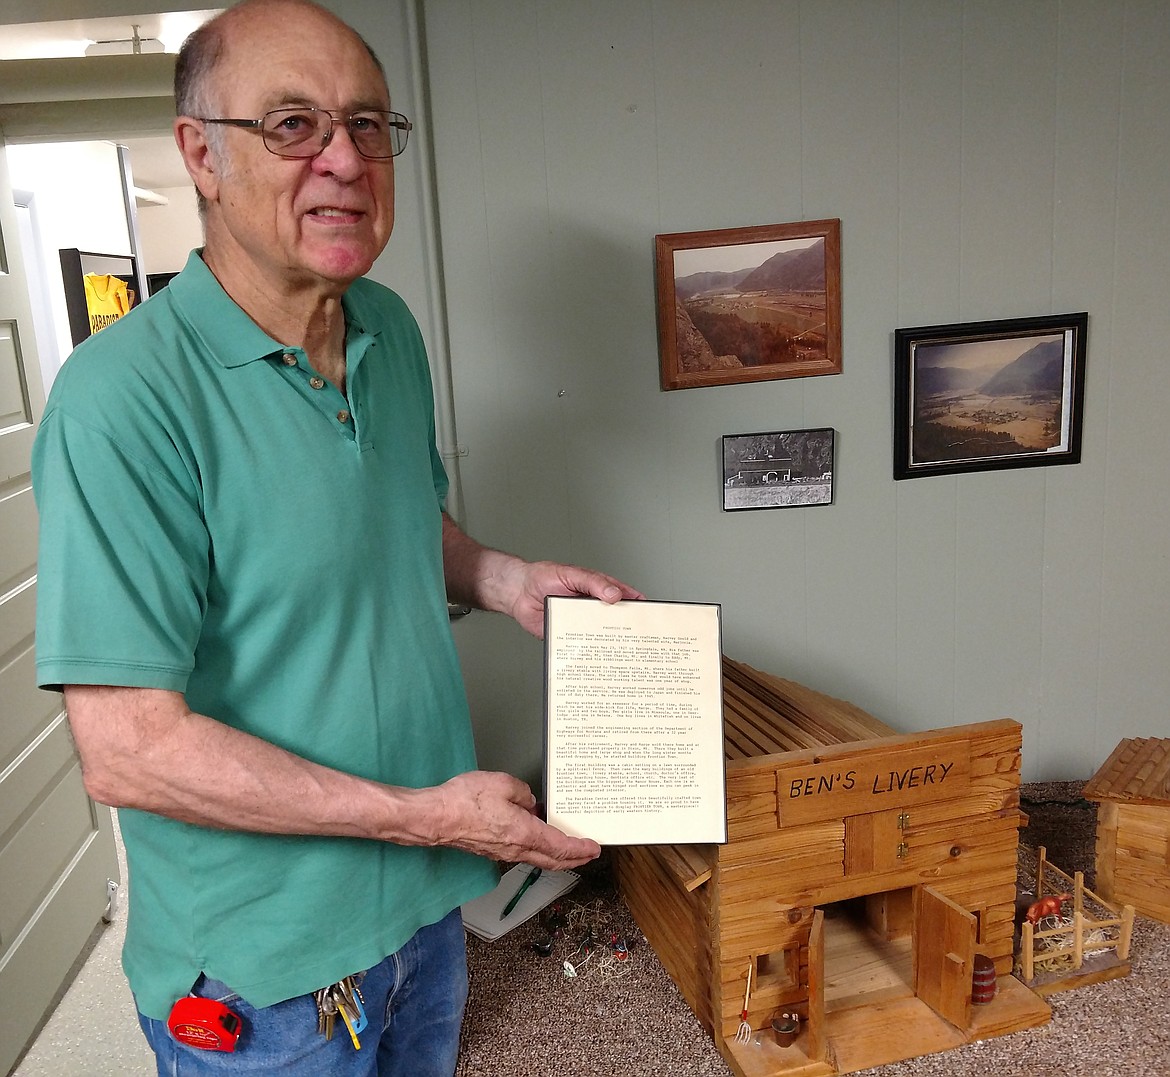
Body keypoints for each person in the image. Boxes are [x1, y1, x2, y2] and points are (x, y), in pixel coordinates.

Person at [30, 1, 642, 1073]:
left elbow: (397, 523)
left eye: (367, 125)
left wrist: (502, 577)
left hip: (421, 910)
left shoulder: (387, 330)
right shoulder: (122, 400)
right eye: (293, 125)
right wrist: (429, 817)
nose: (344, 161)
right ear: (201, 155)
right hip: (264, 971)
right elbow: (128, 749)